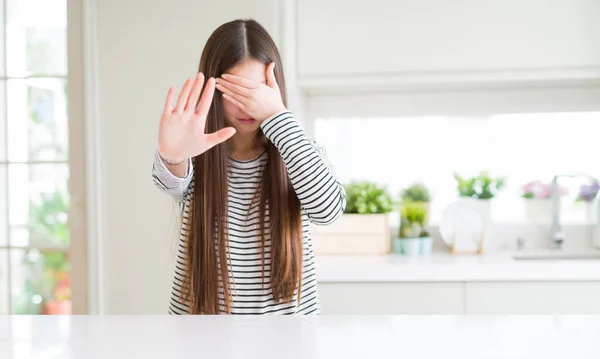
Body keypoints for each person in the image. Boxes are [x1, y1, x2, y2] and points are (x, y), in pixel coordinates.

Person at [152, 19, 346, 315]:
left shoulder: (299, 151)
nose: (245, 107)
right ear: (213, 91)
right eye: (234, 93)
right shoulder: (195, 155)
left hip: (288, 340)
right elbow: (172, 181)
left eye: (255, 93)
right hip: (200, 335)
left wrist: (277, 116)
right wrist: (173, 157)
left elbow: (328, 211)